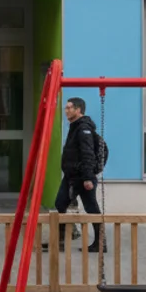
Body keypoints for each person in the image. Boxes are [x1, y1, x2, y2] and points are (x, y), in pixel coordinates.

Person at [44, 98, 103, 253]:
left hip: (82, 177)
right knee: (60, 204)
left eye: (69, 108)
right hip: (71, 176)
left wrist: (88, 178)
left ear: (78, 110)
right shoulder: (75, 127)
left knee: (92, 208)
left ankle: (100, 243)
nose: (66, 111)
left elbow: (88, 154)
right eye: (66, 108)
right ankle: (60, 241)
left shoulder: (84, 129)